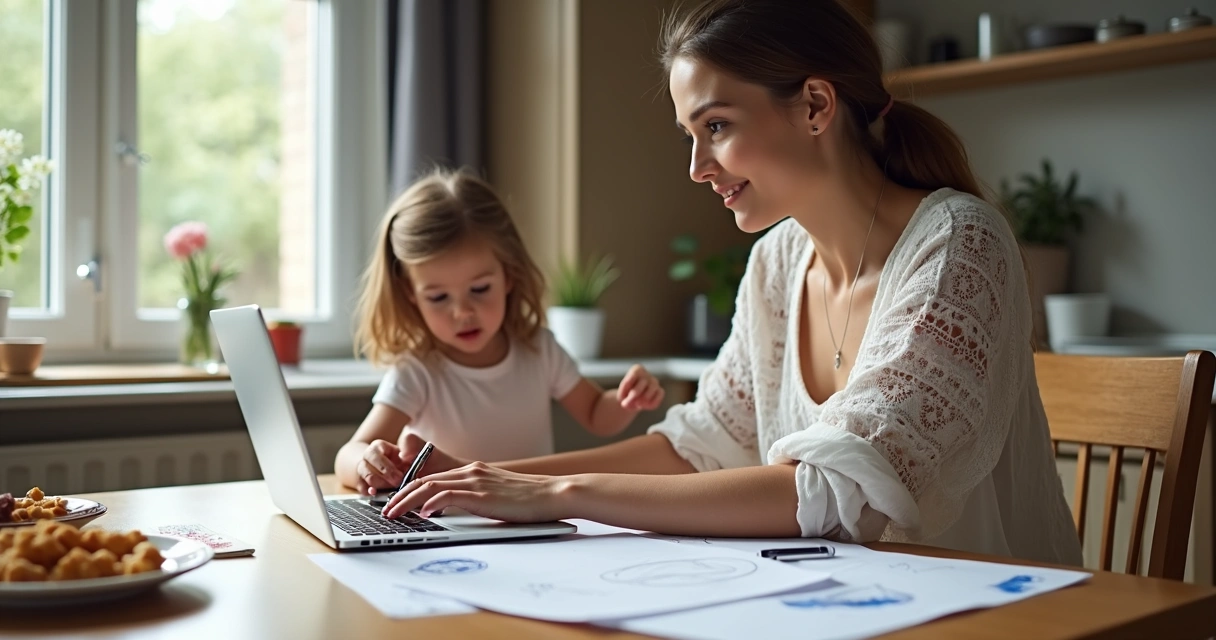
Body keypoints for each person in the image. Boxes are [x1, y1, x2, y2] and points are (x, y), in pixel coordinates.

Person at [382, 0, 1082, 566]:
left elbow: (837, 493)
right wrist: (491, 480)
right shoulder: (778, 262)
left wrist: (555, 491)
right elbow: (699, 445)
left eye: (715, 126)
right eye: (691, 132)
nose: (696, 166)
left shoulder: (958, 242)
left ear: (814, 105)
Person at [335, 168, 666, 498]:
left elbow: (597, 416)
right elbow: (349, 453)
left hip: (533, 517)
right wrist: (366, 461)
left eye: (479, 289)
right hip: (452, 524)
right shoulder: (418, 370)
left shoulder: (540, 349)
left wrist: (627, 401)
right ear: (411, 293)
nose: (463, 312)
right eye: (438, 297)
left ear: (509, 275)